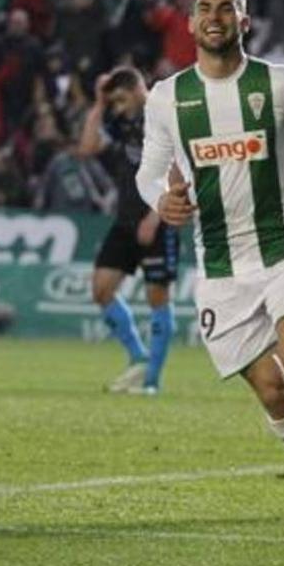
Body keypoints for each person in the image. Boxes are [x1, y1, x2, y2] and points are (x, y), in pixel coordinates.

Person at [136, 0, 284, 519]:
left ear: (245, 20)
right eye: (205, 8)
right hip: (219, 265)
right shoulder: (169, 97)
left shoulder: (278, 84)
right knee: (274, 391)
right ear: (191, 21)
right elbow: (148, 172)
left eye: (226, 8)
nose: (214, 18)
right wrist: (160, 201)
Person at [79, 67, 179, 395]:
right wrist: (98, 103)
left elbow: (179, 169)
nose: (118, 107)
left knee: (157, 297)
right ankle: (138, 358)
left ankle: (151, 381)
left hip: (158, 217)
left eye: (121, 99)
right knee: (101, 289)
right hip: (125, 218)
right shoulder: (125, 122)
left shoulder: (164, 117)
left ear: (138, 88)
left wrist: (154, 216)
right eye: (114, 102)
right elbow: (87, 146)